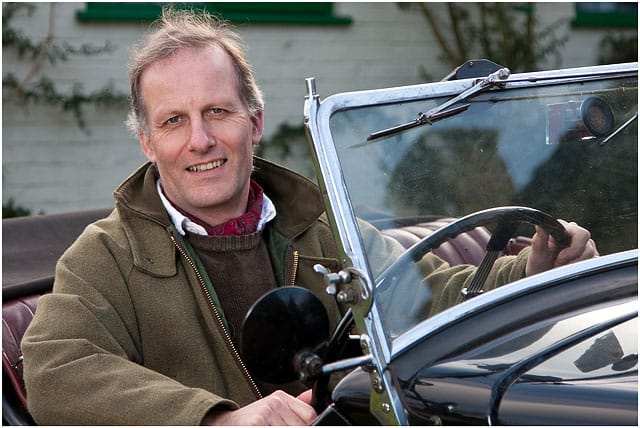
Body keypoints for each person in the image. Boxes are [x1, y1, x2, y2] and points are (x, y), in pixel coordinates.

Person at [21, 8, 598, 426]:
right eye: (174, 121)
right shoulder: (107, 256)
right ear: (147, 142)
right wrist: (218, 420)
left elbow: (417, 298)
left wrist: (528, 272)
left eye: (218, 111)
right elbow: (56, 369)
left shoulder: (321, 226)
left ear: (256, 121)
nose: (200, 140)